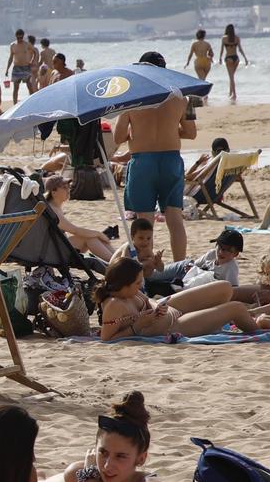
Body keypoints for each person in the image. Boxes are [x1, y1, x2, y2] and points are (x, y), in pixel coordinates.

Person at [56, 392, 168, 482]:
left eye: (120, 456)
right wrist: (91, 477)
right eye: (103, 452)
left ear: (141, 458)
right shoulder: (77, 474)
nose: (107, 465)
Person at [117, 52, 196, 261]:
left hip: (143, 161)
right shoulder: (183, 97)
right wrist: (170, 131)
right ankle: (179, 265)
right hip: (170, 159)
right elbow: (191, 133)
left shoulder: (131, 99)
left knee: (145, 219)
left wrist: (138, 133)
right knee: (175, 218)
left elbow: (118, 136)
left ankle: (145, 264)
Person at [96, 255, 252, 341]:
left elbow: (147, 299)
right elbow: (107, 338)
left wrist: (155, 306)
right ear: (124, 284)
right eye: (137, 283)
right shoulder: (114, 305)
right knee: (236, 308)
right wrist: (138, 325)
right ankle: (261, 328)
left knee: (224, 287)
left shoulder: (130, 292)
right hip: (172, 325)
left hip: (168, 309)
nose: (139, 286)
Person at [42, 173, 116, 262]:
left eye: (68, 187)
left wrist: (98, 235)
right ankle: (116, 263)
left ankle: (120, 260)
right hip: (53, 251)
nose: (68, 190)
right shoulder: (52, 211)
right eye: (64, 188)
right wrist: (99, 234)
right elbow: (75, 230)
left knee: (91, 236)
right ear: (53, 192)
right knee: (90, 238)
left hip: (56, 246)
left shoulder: (54, 207)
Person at [219, 23, 247, 101]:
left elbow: (222, 49)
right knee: (232, 77)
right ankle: (230, 93)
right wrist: (245, 58)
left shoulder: (224, 38)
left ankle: (234, 94)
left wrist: (220, 58)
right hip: (236, 59)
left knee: (231, 78)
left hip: (228, 58)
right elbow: (240, 49)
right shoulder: (237, 38)